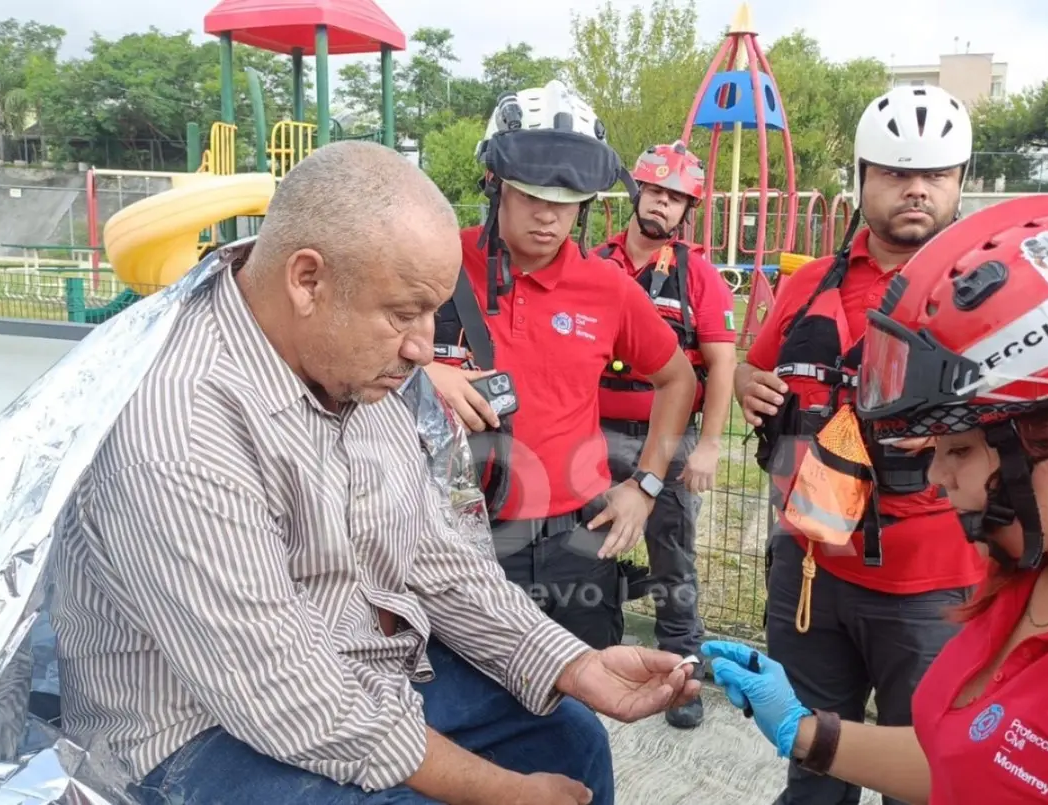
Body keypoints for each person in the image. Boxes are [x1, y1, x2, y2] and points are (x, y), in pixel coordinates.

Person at [49, 141, 702, 805]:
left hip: (355, 665)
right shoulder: (181, 419)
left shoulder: (359, 367)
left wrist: (573, 662)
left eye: (433, 312)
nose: (425, 348)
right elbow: (282, 691)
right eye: (403, 312)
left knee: (569, 736)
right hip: (194, 729)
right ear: (308, 280)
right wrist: (502, 791)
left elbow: (436, 556)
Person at [703, 193, 1048, 803]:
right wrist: (805, 732)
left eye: (959, 450)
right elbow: (967, 757)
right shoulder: (1044, 564)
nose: (937, 477)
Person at [733, 85, 985, 804]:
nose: (915, 190)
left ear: (960, 181)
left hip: (932, 587)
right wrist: (752, 380)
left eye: (934, 175)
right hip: (811, 571)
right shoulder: (811, 283)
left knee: (926, 776)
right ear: (863, 178)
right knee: (813, 766)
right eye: (896, 173)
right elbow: (757, 360)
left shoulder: (983, 289)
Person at [425, 81, 698, 651]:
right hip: (450, 544)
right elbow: (347, 359)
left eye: (567, 198)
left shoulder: (608, 288)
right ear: (496, 186)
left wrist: (645, 487)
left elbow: (679, 379)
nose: (549, 216)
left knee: (575, 720)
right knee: (458, 717)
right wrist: (425, 372)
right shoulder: (432, 262)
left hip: (575, 546)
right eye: (531, 195)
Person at [592, 140, 737, 729]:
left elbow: (723, 366)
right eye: (656, 192)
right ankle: (598, 666)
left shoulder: (697, 277)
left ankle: (683, 677)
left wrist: (708, 445)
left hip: (669, 439)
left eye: (676, 199)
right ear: (637, 193)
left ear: (687, 211)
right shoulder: (594, 263)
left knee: (673, 561)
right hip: (593, 435)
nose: (663, 207)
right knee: (588, 554)